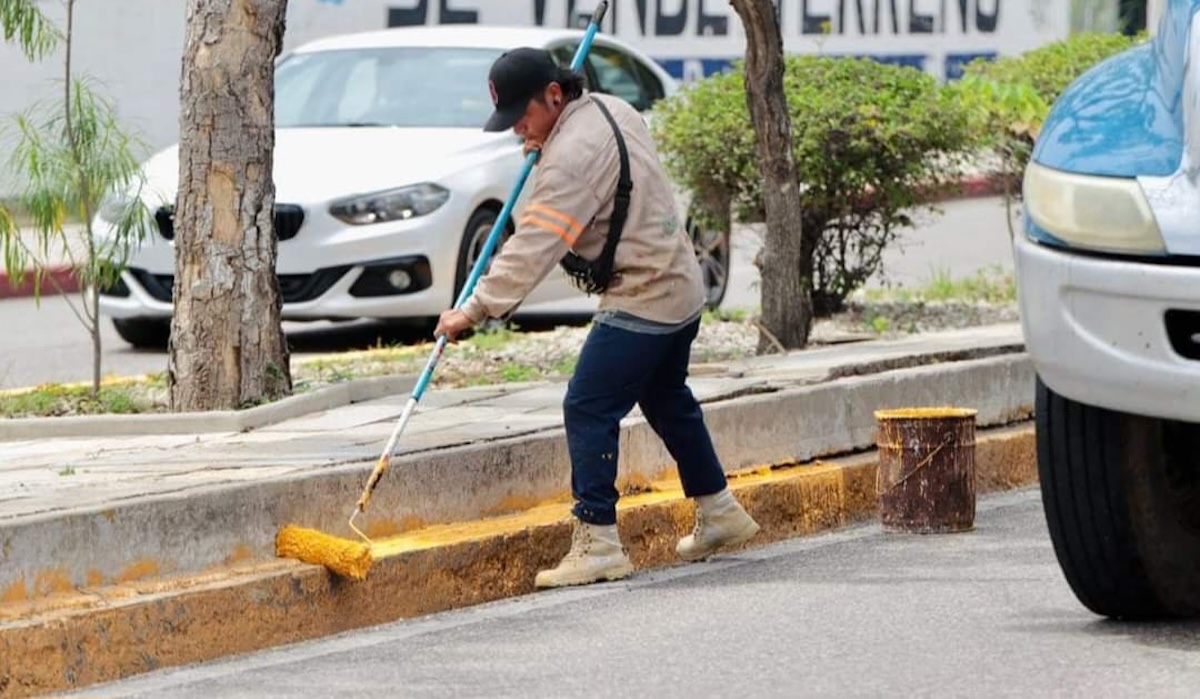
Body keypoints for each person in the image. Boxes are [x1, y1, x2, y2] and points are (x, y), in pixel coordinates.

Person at [434, 47, 760, 589]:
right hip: (681, 285)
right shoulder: (612, 109)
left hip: (644, 295)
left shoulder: (571, 158)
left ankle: (598, 540)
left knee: (587, 404)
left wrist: (473, 308)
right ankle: (721, 510)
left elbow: (535, 244)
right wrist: (544, 143)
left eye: (525, 116)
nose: (519, 128)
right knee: (665, 396)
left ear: (555, 95)